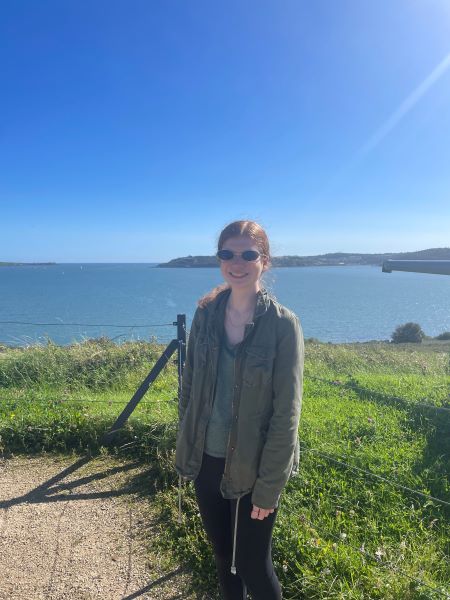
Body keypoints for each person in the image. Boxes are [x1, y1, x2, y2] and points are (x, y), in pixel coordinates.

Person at [175, 220, 304, 600]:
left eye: (248, 254)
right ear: (219, 259)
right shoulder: (206, 315)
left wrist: (269, 488)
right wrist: (186, 442)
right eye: (227, 253)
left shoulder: (283, 326)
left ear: (264, 260)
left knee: (251, 563)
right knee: (222, 557)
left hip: (254, 468)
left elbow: (287, 415)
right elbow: (190, 387)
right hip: (206, 459)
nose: (237, 262)